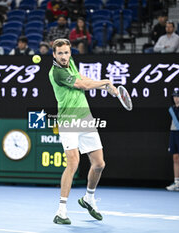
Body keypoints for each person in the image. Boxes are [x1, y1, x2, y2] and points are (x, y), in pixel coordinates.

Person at [49, 38, 118, 225]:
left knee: (99, 164)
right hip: (68, 121)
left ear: (70, 53)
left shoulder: (70, 63)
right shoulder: (57, 73)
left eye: (66, 52)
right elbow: (83, 86)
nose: (64, 56)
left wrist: (105, 87)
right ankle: (61, 211)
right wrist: (105, 82)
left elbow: (83, 79)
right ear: (54, 55)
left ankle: (88, 198)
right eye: (60, 53)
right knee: (73, 162)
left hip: (85, 119)